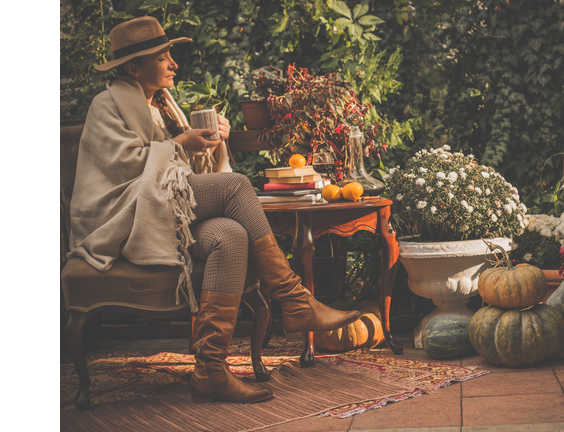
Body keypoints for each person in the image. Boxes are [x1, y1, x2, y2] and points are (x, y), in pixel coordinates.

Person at [67, 16, 361, 404]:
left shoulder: (163, 106)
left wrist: (211, 142)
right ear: (133, 68)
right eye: (163, 56)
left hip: (163, 209)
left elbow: (183, 174)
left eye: (170, 54)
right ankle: (294, 299)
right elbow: (124, 166)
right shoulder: (106, 105)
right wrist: (181, 143)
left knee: (230, 235)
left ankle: (210, 371)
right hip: (124, 213)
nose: (173, 63)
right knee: (236, 185)